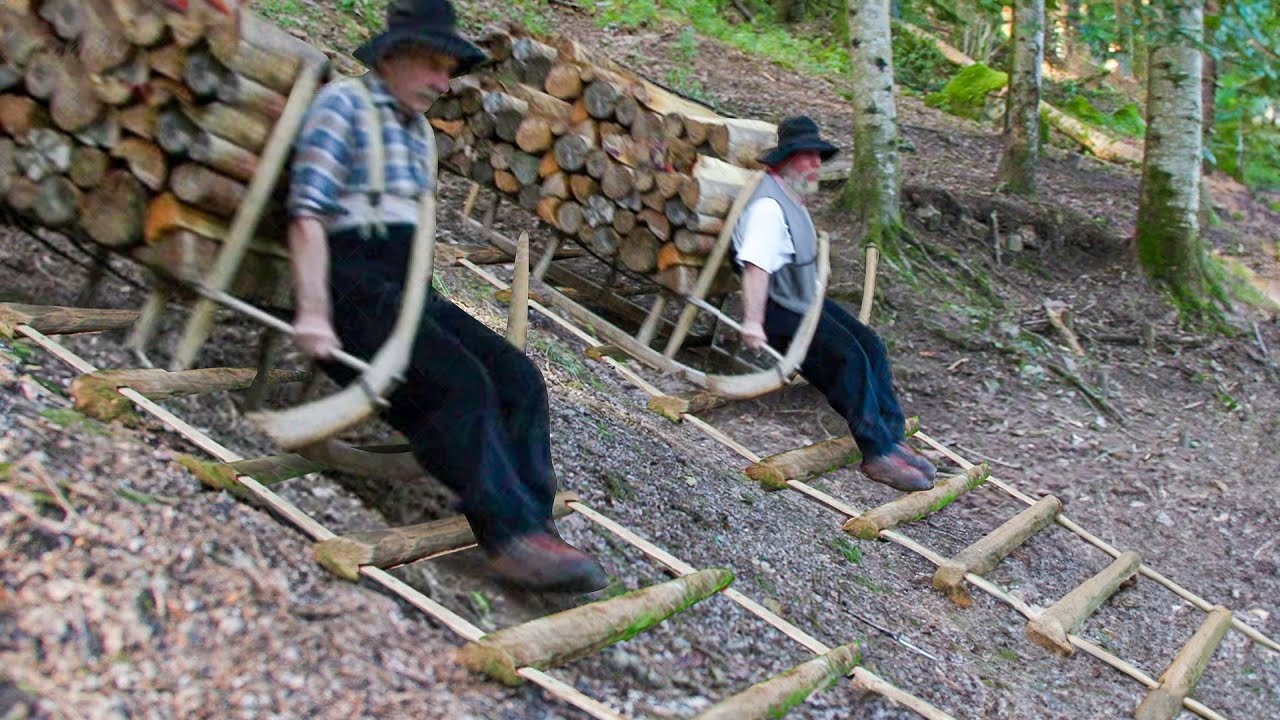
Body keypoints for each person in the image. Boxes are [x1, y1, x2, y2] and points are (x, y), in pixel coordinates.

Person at [284, 0, 608, 593]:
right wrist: (310, 311)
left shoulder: (415, 131)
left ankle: (535, 529)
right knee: (461, 384)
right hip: (348, 288)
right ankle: (508, 539)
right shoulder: (344, 107)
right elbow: (307, 211)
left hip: (408, 291)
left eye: (447, 69)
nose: (442, 82)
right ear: (393, 57)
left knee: (518, 378)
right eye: (433, 66)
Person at [733, 116, 937, 492]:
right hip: (780, 311)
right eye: (806, 156)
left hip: (802, 300)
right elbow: (755, 266)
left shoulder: (789, 196)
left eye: (817, 157)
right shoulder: (768, 207)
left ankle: (892, 439)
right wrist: (753, 321)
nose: (815, 164)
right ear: (784, 160)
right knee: (849, 359)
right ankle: (876, 454)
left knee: (871, 345)